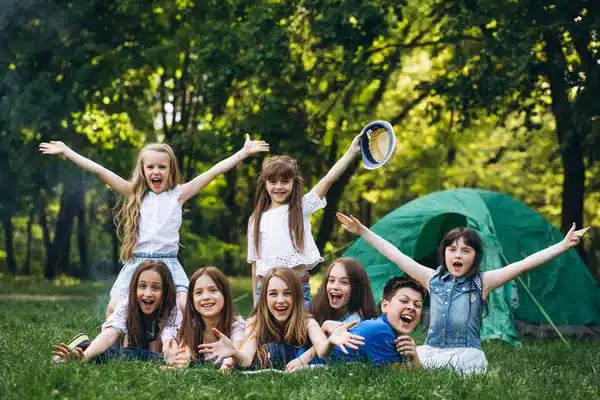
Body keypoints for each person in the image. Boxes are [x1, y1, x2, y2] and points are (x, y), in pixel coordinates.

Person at [40, 135, 268, 316]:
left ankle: (179, 345)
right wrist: (67, 152)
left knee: (184, 305)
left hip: (169, 264)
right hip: (138, 263)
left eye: (162, 167)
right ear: (143, 171)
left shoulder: (179, 194)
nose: (156, 172)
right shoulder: (134, 193)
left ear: (171, 170)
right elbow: (99, 170)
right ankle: (115, 345)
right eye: (150, 167)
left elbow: (214, 171)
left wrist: (243, 152)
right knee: (114, 308)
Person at [337, 212, 590, 374]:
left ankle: (418, 370)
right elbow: (395, 254)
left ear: (474, 257)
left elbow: (523, 264)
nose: (457, 255)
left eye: (465, 251)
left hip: (464, 354)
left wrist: (562, 245)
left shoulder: (483, 282)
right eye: (453, 249)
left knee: (416, 369)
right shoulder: (432, 279)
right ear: (445, 253)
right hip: (432, 349)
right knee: (393, 362)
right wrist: (362, 231)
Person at [247, 133, 362, 308]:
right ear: (265, 183)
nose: (279, 187)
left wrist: (351, 152)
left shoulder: (301, 207)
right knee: (267, 335)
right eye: (273, 181)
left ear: (294, 183)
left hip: (298, 287)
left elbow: (329, 179)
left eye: (285, 181)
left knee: (300, 334)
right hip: (266, 290)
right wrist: (256, 300)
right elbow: (255, 263)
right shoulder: (256, 218)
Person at [196, 267, 365, 370]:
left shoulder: (306, 321)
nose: (280, 300)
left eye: (287, 293)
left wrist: (330, 341)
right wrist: (234, 353)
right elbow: (246, 359)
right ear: (264, 300)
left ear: (297, 297)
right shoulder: (257, 324)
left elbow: (322, 350)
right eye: (273, 294)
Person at [52, 260, 181, 363]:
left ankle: (84, 345)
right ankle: (84, 348)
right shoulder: (127, 305)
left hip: (148, 352)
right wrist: (85, 357)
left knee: (143, 356)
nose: (148, 294)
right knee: (125, 355)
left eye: (156, 288)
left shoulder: (171, 310)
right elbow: (110, 334)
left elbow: (168, 341)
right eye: (142, 286)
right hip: (123, 349)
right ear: (134, 288)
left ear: (166, 292)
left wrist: (171, 360)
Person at [287, 257, 379, 370]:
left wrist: (324, 329)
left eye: (344, 282)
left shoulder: (358, 320)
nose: (335, 287)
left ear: (356, 288)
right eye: (331, 280)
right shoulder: (317, 308)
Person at [323, 275, 425, 367]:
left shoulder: (390, 331)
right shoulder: (381, 331)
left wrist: (413, 356)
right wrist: (415, 360)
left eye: (417, 305)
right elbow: (401, 378)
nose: (411, 307)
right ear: (385, 306)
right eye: (403, 301)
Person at [167, 267, 245, 372]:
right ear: (192, 300)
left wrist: (226, 367)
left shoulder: (236, 326)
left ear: (225, 295)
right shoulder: (191, 327)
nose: (206, 297)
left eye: (213, 290)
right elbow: (183, 358)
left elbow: (234, 354)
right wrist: (177, 361)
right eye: (198, 293)